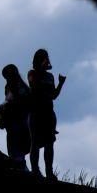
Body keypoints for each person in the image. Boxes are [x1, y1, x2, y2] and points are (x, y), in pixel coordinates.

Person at [27, 49, 66, 181]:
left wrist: (60, 84)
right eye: (44, 58)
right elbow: (35, 87)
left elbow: (53, 95)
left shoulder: (50, 76)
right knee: (35, 142)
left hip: (48, 113)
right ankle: (35, 170)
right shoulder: (32, 74)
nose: (47, 60)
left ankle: (49, 172)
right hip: (36, 112)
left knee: (49, 143)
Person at [1, 64, 31, 170]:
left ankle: (20, 168)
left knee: (15, 149)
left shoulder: (13, 87)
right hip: (23, 121)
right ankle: (21, 167)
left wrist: (3, 106)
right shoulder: (24, 87)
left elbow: (10, 101)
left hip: (16, 121)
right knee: (19, 150)